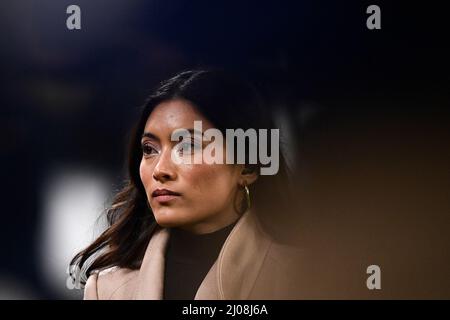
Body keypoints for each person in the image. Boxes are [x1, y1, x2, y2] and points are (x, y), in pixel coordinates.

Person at [70, 69, 302, 300]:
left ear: (248, 167)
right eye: (149, 149)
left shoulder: (307, 278)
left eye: (188, 147)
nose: (160, 170)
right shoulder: (107, 289)